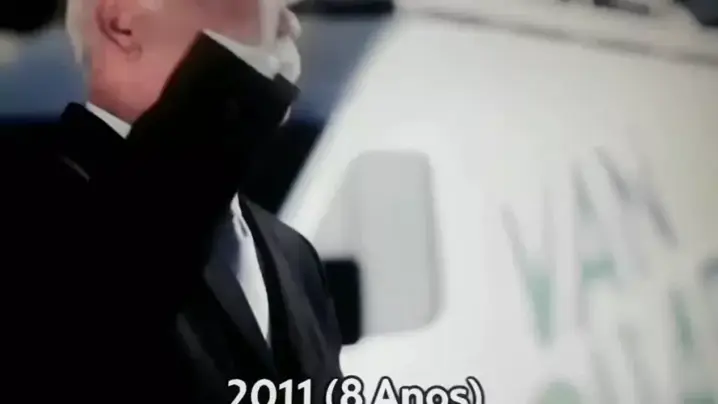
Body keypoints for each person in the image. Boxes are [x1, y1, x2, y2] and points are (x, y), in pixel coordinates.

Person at [0, 0, 343, 403]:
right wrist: (238, 83)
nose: (289, 23)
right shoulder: (29, 212)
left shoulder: (293, 254)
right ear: (123, 23)